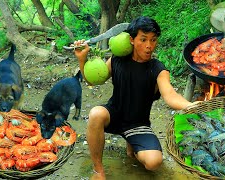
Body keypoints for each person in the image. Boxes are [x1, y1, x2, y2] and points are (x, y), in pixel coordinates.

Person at [74, 16, 197, 179]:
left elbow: (170, 95)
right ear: (131, 40)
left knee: (154, 162)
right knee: (96, 113)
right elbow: (94, 80)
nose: (149, 46)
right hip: (114, 114)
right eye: (143, 40)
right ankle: (98, 171)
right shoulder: (117, 59)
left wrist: (189, 105)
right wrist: (82, 60)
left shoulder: (158, 68)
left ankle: (132, 144)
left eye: (153, 40)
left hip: (138, 124)